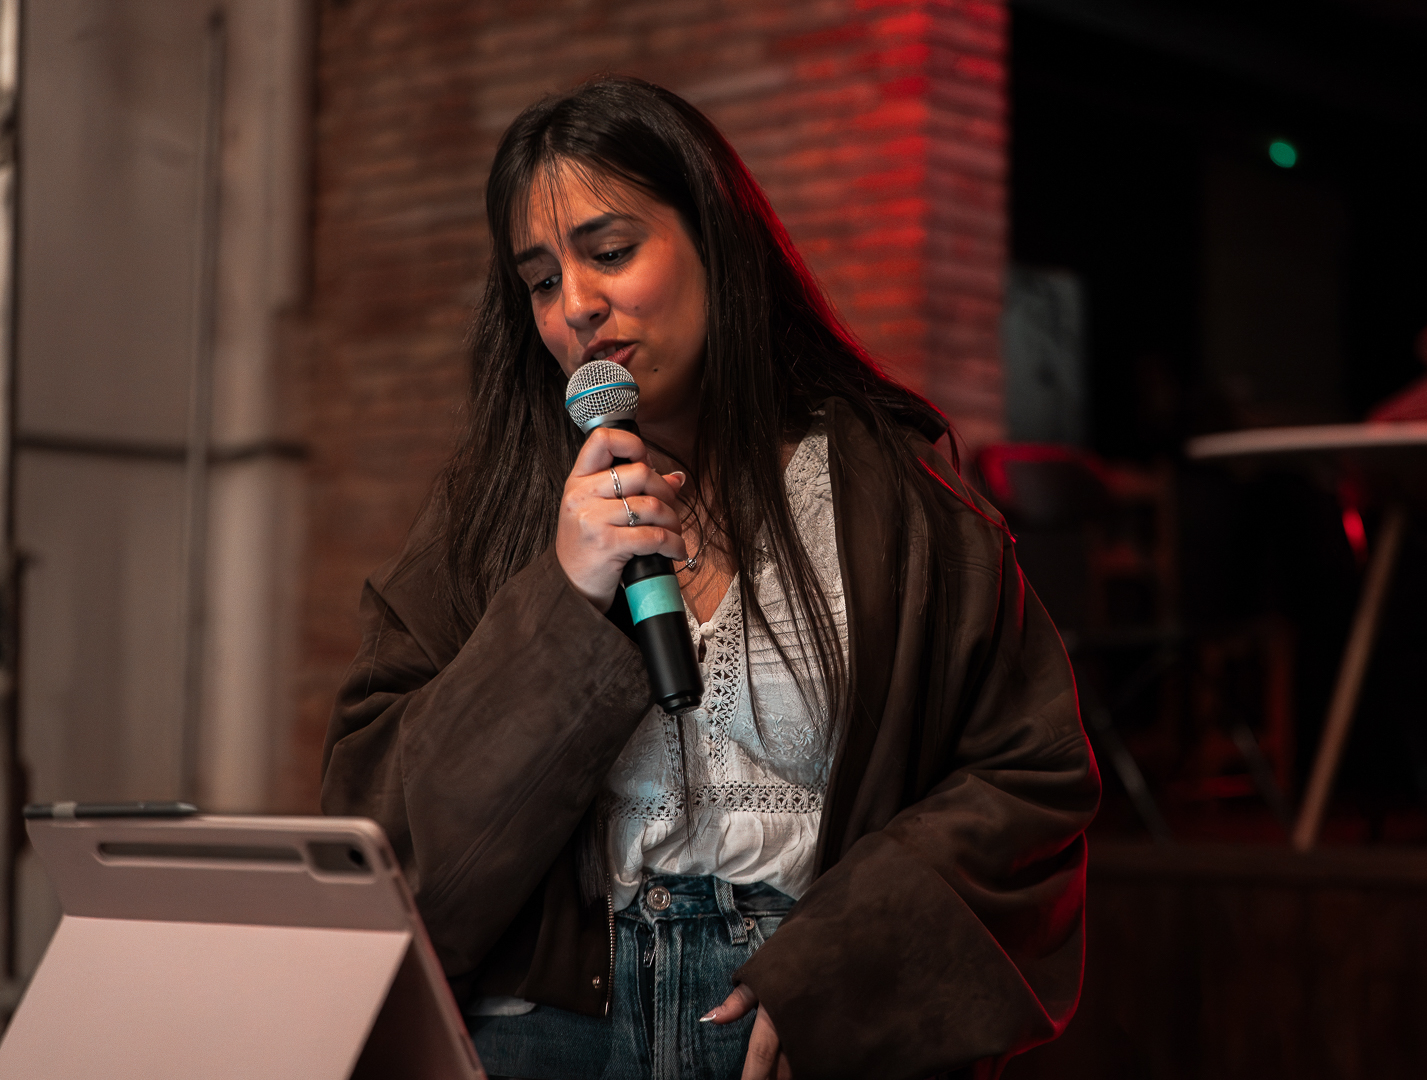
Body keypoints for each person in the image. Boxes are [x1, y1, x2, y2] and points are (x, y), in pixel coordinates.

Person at [321, 75, 1098, 1080]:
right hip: (543, 1033)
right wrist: (562, 594)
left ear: (715, 242)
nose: (576, 306)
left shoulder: (887, 498)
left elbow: (1031, 781)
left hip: (787, 1022)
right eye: (541, 280)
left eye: (609, 252)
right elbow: (377, 835)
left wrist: (845, 964)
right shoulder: (492, 515)